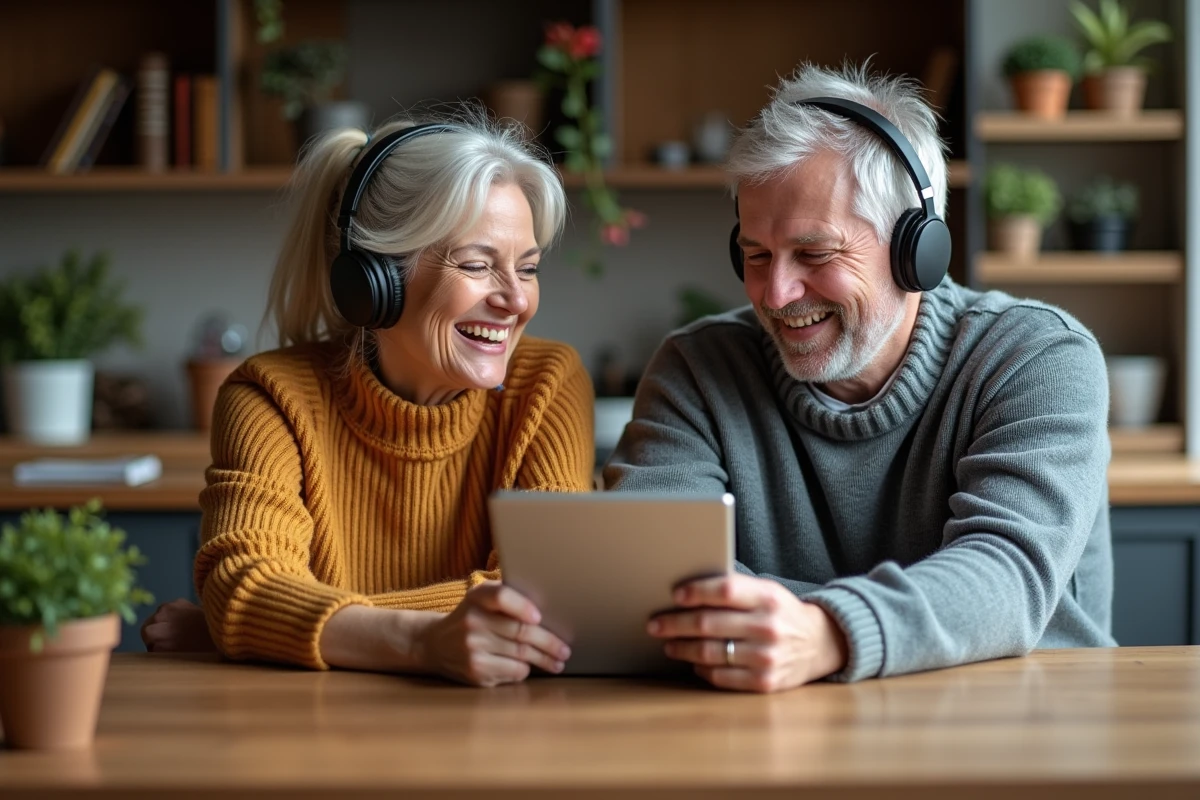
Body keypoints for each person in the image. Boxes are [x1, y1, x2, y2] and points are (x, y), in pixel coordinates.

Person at [606, 62, 1115, 692]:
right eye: (756, 255)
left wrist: (828, 633)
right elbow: (653, 577)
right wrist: (916, 616)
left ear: (916, 251)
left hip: (1013, 726)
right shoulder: (698, 369)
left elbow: (1006, 578)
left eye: (815, 254)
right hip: (776, 734)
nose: (777, 291)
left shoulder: (1035, 357)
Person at [140, 110, 595, 687]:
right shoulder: (269, 398)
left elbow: (543, 601)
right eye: (478, 265)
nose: (516, 301)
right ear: (376, 281)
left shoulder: (548, 384)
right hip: (315, 741)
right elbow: (245, 584)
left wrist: (245, 629)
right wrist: (423, 640)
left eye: (526, 269)